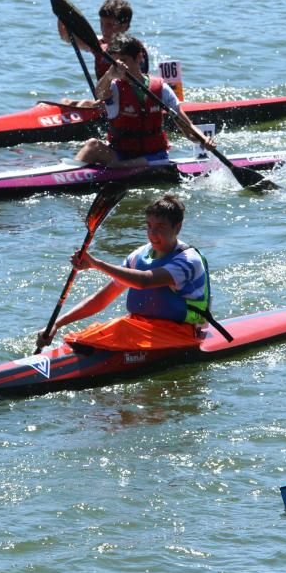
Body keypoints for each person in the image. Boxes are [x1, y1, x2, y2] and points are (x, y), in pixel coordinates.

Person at [36, 194, 222, 352]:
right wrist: (57, 324)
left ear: (177, 227)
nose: (152, 233)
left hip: (181, 333)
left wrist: (96, 264)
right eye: (149, 226)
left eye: (160, 228)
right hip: (140, 328)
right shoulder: (139, 256)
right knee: (95, 332)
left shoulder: (188, 260)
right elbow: (102, 299)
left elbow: (144, 282)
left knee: (118, 329)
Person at [72, 34, 212, 169]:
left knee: (118, 165)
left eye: (124, 60)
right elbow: (100, 94)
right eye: (115, 63)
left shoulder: (161, 88)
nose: (120, 67)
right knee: (92, 145)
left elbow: (187, 127)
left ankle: (120, 169)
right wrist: (109, 75)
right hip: (122, 154)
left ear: (139, 58)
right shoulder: (113, 86)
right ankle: (65, 175)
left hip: (154, 157)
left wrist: (203, 140)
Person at [58, 0, 150, 81]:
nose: (104, 30)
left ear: (125, 26)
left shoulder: (136, 52)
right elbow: (65, 36)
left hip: (127, 97)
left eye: (110, 25)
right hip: (103, 96)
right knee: (65, 100)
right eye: (101, 23)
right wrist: (61, 14)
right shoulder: (98, 46)